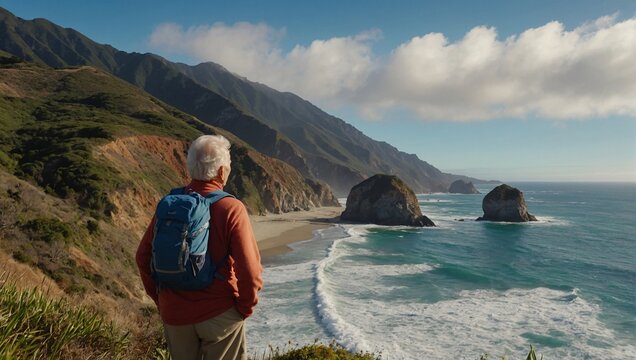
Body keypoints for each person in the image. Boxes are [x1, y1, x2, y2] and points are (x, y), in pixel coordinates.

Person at [136, 134, 263, 360]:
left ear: (190, 168)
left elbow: (143, 256)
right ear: (222, 171)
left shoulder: (170, 204)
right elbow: (250, 272)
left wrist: (162, 300)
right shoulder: (231, 208)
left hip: (174, 314)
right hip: (219, 313)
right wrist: (244, 308)